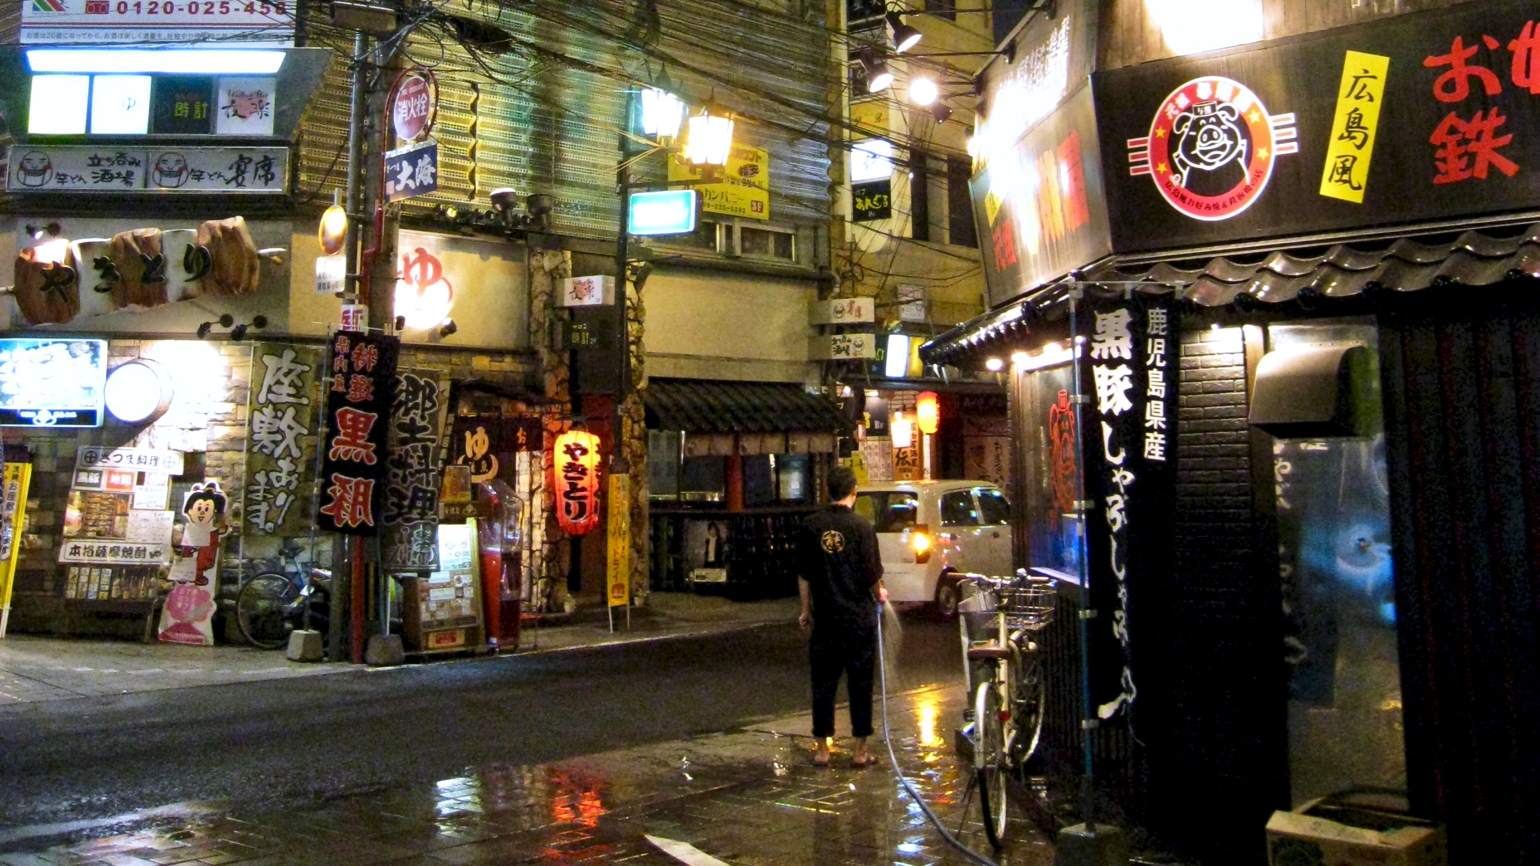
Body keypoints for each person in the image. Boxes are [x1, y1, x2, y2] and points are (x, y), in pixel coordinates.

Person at [797, 464, 887, 768]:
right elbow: (871, 574)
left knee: (822, 684)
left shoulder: (810, 526)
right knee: (861, 683)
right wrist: (880, 594)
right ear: (854, 492)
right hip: (858, 619)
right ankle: (859, 752)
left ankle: (822, 750)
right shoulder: (862, 527)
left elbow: (804, 575)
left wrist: (806, 611)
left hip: (826, 619)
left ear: (827, 491)